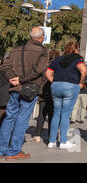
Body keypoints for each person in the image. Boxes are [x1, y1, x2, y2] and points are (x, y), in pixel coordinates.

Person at [0, 27, 49, 159]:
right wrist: (21, 79)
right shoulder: (43, 51)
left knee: (9, 117)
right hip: (30, 89)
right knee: (22, 118)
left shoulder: (16, 49)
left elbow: (4, 66)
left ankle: (1, 150)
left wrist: (12, 78)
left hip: (15, 88)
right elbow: (38, 70)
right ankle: (14, 151)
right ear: (42, 37)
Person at [45, 41, 87, 149]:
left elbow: (47, 73)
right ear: (76, 48)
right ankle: (63, 141)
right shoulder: (77, 58)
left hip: (56, 86)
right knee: (65, 114)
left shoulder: (58, 59)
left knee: (56, 113)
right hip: (70, 86)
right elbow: (83, 70)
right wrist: (80, 83)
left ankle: (52, 141)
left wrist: (55, 82)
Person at [31, 50, 60, 143]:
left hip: (43, 92)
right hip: (53, 92)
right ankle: (51, 135)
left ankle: (37, 135)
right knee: (52, 114)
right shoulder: (57, 66)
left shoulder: (44, 66)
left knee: (41, 114)